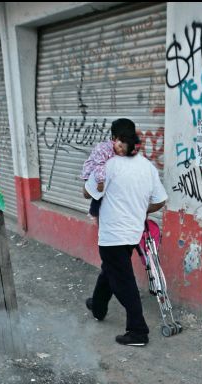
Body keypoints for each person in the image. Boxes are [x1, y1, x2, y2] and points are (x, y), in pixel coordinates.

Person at [83, 118, 167, 347]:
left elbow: (87, 193)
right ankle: (98, 305)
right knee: (111, 270)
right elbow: (160, 200)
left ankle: (138, 331)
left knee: (123, 280)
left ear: (114, 139)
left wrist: (92, 175)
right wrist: (140, 210)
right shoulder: (147, 167)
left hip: (112, 234)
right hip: (132, 233)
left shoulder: (107, 166)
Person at [81, 120, 130, 217]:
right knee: (99, 195)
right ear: (115, 138)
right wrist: (100, 182)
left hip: (104, 176)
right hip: (93, 173)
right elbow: (99, 165)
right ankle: (93, 212)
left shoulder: (120, 149)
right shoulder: (104, 148)